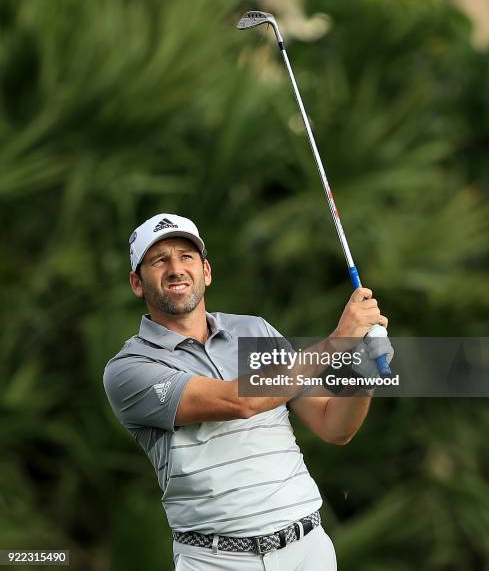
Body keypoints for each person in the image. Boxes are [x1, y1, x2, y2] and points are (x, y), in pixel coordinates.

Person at [103, 213, 393, 571]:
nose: (176, 268)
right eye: (159, 260)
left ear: (206, 271)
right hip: (216, 560)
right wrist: (337, 341)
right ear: (137, 282)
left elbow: (333, 425)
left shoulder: (254, 331)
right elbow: (239, 401)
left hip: (308, 550)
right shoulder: (130, 368)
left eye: (186, 256)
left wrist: (362, 368)